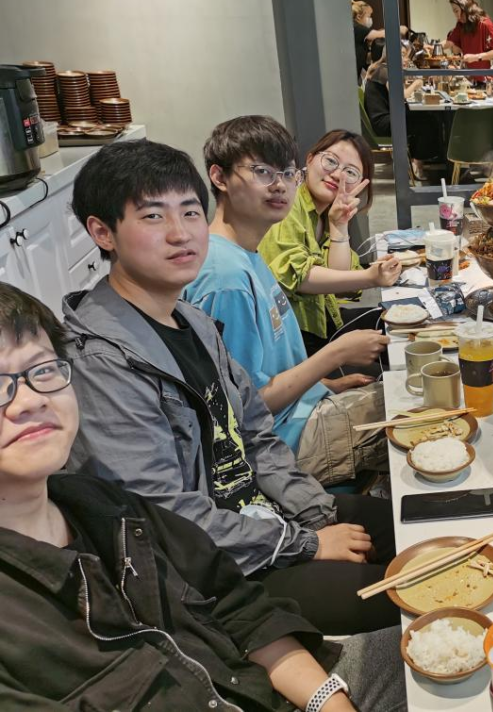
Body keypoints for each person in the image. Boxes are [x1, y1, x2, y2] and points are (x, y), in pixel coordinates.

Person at [0, 283, 405, 711]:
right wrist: (304, 544)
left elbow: (236, 606)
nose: (28, 400)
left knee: (437, 611)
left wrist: (326, 699)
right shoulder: (112, 362)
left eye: (42, 370)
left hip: (257, 675)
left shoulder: (105, 507)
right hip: (251, 568)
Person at [63, 139, 401, 636]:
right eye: (153, 216)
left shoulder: (192, 321)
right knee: (414, 595)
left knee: (422, 526)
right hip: (211, 572)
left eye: (190, 212)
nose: (181, 233)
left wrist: (315, 513)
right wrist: (306, 544)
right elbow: (165, 517)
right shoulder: (101, 362)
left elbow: (255, 433)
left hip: (263, 514)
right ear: (102, 232)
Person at [183, 116, 389, 489]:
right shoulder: (225, 278)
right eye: (262, 171)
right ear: (219, 177)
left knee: (410, 384)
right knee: (421, 405)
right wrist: (338, 353)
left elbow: (266, 370)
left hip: (302, 407)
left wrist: (325, 383)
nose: (279, 185)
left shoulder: (247, 253)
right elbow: (242, 409)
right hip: (279, 444)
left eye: (287, 173)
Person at [258, 130, 401, 357]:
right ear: (310, 159)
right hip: (292, 341)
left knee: (404, 326)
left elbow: (339, 281)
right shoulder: (288, 203)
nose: (337, 175)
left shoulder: (328, 213)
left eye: (350, 172)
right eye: (331, 161)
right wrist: (371, 277)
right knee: (398, 344)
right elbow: (300, 278)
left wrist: (339, 226)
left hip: (322, 323)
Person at [443, 0, 493, 78]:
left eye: (456, 11)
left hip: (488, 79)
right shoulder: (461, 25)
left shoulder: (485, 24)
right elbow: (449, 42)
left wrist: (476, 57)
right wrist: (433, 47)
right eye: (454, 12)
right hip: (471, 79)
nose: (456, 15)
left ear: (465, 8)